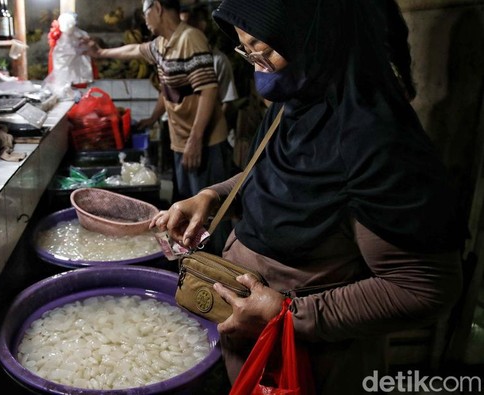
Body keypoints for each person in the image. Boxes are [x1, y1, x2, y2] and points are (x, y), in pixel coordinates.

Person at [150, 0, 466, 393]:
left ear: (318, 40)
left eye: (263, 51)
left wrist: (288, 315)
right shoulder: (297, 105)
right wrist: (212, 195)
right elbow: (274, 177)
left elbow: (425, 286)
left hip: (311, 365)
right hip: (255, 349)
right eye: (246, 50)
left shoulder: (376, 145)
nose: (254, 63)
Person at [82, 0, 229, 203]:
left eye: (145, 12)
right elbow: (137, 53)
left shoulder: (190, 38)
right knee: (185, 204)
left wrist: (195, 140)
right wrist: (100, 53)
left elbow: (208, 90)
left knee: (206, 208)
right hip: (181, 141)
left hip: (204, 142)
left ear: (158, 8)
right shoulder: (162, 44)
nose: (144, 19)